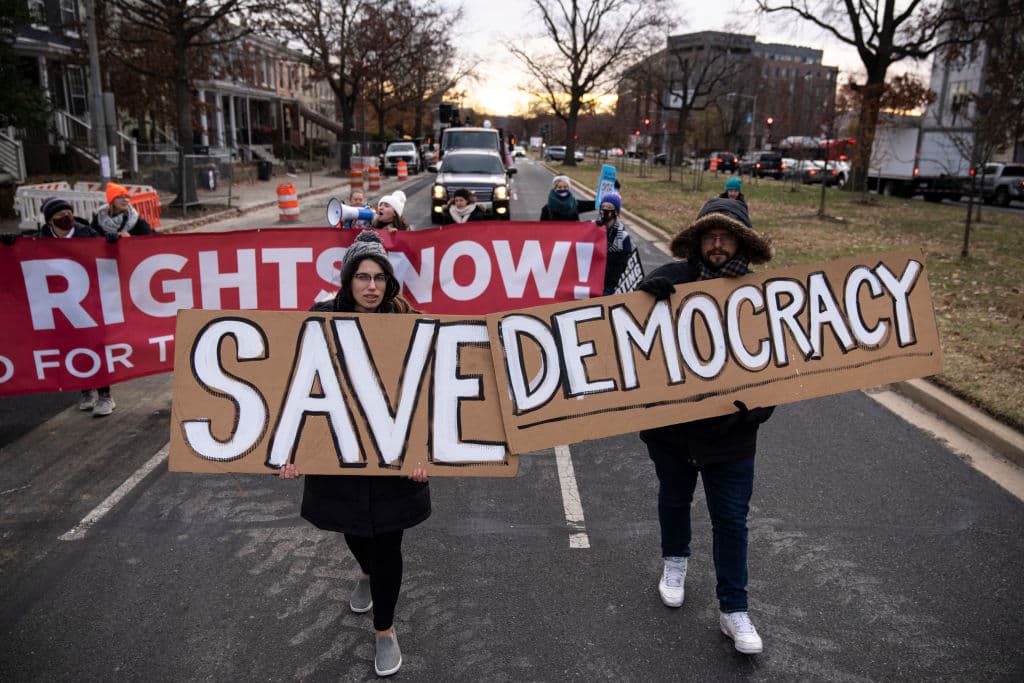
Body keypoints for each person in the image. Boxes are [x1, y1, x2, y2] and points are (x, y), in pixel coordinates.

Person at [278, 231, 428, 678]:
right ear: (347, 281)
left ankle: (385, 630)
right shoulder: (319, 321)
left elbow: (426, 392)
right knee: (354, 530)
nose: (371, 286)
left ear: (390, 284)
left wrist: (424, 452)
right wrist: (286, 450)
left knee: (388, 540)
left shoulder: (411, 323)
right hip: (337, 456)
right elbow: (294, 386)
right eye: (362, 276)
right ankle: (364, 571)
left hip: (394, 457)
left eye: (380, 278)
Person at [637, 198, 774, 655]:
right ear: (698, 241)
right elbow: (627, 340)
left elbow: (774, 365)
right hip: (673, 432)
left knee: (731, 520)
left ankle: (733, 609)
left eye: (726, 236)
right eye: (710, 236)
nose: (717, 245)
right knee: (674, 499)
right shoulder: (670, 279)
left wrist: (755, 410)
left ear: (741, 243)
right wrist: (641, 296)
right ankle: (675, 561)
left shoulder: (758, 295)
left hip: (732, 438)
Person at [36, 197, 118, 416]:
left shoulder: (87, 234)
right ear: (50, 221)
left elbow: (109, 259)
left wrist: (111, 243)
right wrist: (9, 246)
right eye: (60, 215)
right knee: (73, 346)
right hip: (60, 305)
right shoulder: (40, 239)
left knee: (95, 345)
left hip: (89, 301)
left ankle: (105, 395)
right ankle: (85, 391)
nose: (66, 218)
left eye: (68, 213)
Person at [595, 192, 634, 295]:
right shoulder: (593, 228)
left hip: (607, 286)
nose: (605, 209)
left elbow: (620, 266)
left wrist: (610, 287)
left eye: (609, 207)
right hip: (591, 281)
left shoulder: (623, 237)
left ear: (616, 212)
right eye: (603, 206)